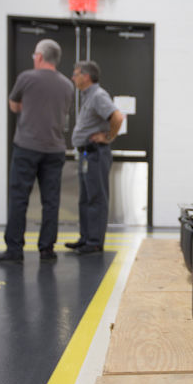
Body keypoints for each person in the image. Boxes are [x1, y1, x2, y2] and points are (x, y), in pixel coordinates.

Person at [0, 39, 74, 263]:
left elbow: (14, 105)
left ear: (39, 57)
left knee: (19, 198)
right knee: (51, 200)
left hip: (27, 147)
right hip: (55, 149)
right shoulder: (67, 85)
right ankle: (47, 249)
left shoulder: (26, 78)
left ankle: (14, 249)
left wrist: (28, 107)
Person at [66, 61, 124, 255]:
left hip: (96, 153)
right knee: (85, 198)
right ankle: (85, 238)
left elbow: (117, 117)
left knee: (96, 198)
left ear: (86, 76)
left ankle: (95, 242)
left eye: (75, 74)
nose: (73, 78)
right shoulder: (87, 96)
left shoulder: (98, 96)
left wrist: (108, 137)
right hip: (86, 153)